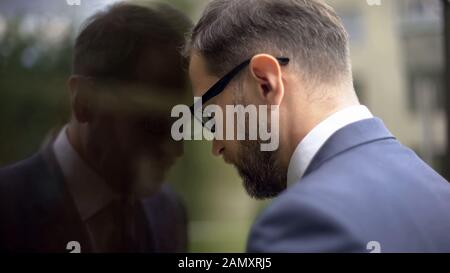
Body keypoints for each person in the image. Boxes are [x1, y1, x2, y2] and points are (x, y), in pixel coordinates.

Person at [185, 0, 450, 252]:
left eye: (211, 116)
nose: (216, 146)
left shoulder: (302, 223)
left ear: (265, 83)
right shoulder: (438, 191)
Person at [0, 2, 191, 252]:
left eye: (184, 122)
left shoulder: (169, 212)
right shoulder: (7, 207)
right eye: (153, 122)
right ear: (84, 101)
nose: (176, 148)